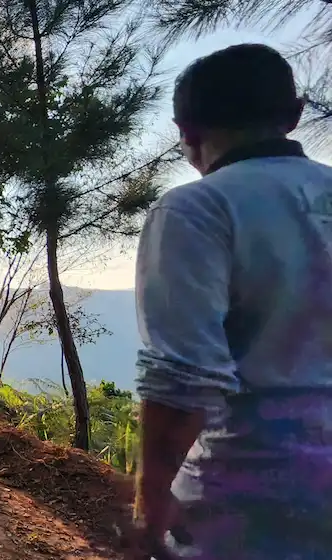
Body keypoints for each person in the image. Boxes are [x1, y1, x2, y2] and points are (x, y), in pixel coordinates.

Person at [128, 43, 332, 559]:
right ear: (294, 114)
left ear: (187, 134)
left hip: (247, 506)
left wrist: (151, 505)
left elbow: (182, 378)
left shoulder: (197, 208)